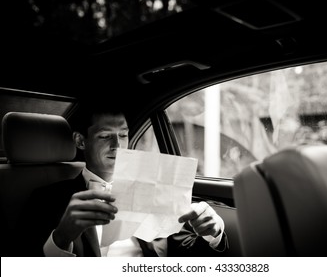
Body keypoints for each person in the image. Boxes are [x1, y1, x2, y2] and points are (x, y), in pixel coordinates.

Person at [17, 102, 228, 257]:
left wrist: (214, 232)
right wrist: (61, 238)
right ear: (81, 141)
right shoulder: (46, 199)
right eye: (105, 136)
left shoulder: (153, 188)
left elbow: (182, 248)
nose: (117, 145)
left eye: (124, 135)